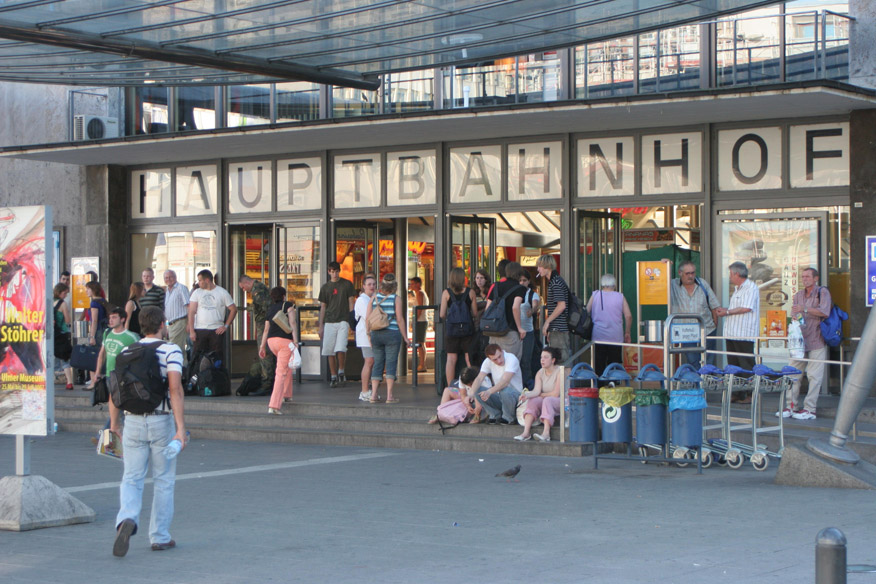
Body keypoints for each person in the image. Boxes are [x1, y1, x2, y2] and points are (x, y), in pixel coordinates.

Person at [110, 306, 186, 557]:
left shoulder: (125, 350)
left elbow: (114, 390)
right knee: (163, 479)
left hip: (131, 421)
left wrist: (114, 425)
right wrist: (181, 428)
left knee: (131, 477)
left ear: (140, 325)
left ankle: (127, 519)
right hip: (160, 421)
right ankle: (160, 536)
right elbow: (175, 389)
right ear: (163, 324)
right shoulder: (170, 350)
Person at [778, 267, 832, 420]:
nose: (805, 279)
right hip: (799, 340)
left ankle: (810, 409)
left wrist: (805, 309)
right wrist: (795, 318)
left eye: (808, 276)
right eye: (803, 277)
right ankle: (791, 406)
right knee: (792, 374)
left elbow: (824, 312)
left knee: (814, 376)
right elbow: (795, 313)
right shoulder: (798, 295)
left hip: (817, 338)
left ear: (816, 278)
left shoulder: (822, 292)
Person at [715, 261, 760, 403]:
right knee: (733, 364)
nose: (729, 277)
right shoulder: (737, 289)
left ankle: (750, 393)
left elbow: (746, 307)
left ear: (736, 273)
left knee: (746, 364)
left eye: (730, 274)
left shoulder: (750, 287)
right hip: (732, 332)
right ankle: (736, 392)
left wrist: (727, 311)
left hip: (744, 333)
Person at [366, 273, 409, 404]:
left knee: (377, 363)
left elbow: (368, 318)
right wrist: (406, 337)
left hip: (376, 334)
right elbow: (400, 319)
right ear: (394, 286)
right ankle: (389, 396)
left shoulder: (374, 298)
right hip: (392, 334)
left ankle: (373, 395)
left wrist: (369, 335)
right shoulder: (396, 299)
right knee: (391, 363)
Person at [669, 260, 720, 368]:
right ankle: (696, 382)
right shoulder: (673, 285)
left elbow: (714, 305)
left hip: (707, 328)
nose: (691, 276)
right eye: (687, 273)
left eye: (693, 273)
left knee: (708, 360)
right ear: (680, 273)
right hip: (686, 331)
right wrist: (663, 264)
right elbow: (658, 280)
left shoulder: (702, 283)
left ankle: (706, 382)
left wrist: (715, 325)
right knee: (692, 360)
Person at [259, 286, 299, 415]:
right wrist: (296, 341)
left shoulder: (270, 309)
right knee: (281, 372)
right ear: (283, 296)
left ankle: (287, 394)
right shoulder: (288, 305)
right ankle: (274, 405)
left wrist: (262, 346)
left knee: (286, 367)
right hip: (284, 341)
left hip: (271, 342)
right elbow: (292, 323)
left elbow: (265, 330)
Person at [318, 261, 356, 388]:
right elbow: (323, 307)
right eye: (332, 271)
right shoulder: (325, 288)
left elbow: (351, 302)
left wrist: (352, 320)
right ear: (329, 272)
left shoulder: (347, 284)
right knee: (329, 349)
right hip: (329, 320)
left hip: (343, 319)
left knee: (340, 347)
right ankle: (334, 375)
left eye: (336, 271)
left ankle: (341, 371)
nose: (334, 274)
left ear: (339, 271)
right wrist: (321, 326)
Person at [439, 267, 478, 388]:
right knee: (468, 357)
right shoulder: (470, 292)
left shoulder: (446, 293)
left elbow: (442, 314)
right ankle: (472, 385)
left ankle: (451, 387)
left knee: (451, 359)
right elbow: (475, 313)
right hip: (467, 330)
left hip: (452, 330)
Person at [515, 347, 563, 442]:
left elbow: (556, 394)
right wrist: (527, 395)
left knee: (547, 400)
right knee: (533, 400)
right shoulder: (540, 372)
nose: (542, 360)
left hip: (561, 401)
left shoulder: (560, 371)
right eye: (541, 357)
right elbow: (536, 391)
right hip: (547, 400)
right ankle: (526, 432)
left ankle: (546, 433)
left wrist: (541, 395)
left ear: (553, 360)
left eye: (546, 357)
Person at [587, 274, 632, 375]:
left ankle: (599, 386)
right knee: (614, 364)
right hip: (615, 337)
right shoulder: (620, 296)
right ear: (614, 285)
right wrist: (627, 332)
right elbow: (628, 316)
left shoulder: (595, 295)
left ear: (602, 285)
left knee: (599, 364)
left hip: (598, 336)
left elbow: (587, 311)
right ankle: (613, 384)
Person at [469, 343, 524, 425]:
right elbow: (479, 378)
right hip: (500, 396)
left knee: (505, 391)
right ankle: (495, 415)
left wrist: (489, 391)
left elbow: (505, 381)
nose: (499, 361)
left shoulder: (511, 358)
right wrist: (470, 394)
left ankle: (508, 418)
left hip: (515, 397)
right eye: (495, 359)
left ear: (502, 351)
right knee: (477, 390)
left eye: (499, 356)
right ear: (489, 359)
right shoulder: (487, 362)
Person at [239, 275, 274, 396]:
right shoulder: (260, 288)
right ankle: (268, 382)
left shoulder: (258, 291)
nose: (244, 290)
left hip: (264, 325)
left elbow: (266, 308)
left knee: (264, 354)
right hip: (264, 325)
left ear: (247, 283)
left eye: (243, 287)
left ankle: (267, 384)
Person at [187, 269, 237, 355]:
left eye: (200, 280)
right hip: (200, 329)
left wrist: (226, 326)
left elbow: (233, 309)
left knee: (215, 356)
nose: (198, 283)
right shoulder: (197, 292)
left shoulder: (222, 292)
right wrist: (192, 331)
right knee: (198, 357)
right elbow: (191, 311)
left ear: (207, 280)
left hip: (216, 330)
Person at [484, 261, 526, 362]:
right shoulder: (520, 288)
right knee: (511, 364)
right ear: (519, 273)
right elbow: (515, 307)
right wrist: (520, 328)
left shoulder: (496, 286)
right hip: (509, 332)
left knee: (495, 365)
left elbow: (488, 308)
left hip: (493, 332)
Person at [537, 254, 571, 363]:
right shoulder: (555, 281)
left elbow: (561, 305)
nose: (538, 269)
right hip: (557, 328)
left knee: (560, 359)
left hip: (559, 329)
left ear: (547, 266)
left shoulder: (556, 282)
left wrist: (547, 322)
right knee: (557, 358)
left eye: (540, 266)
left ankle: (562, 380)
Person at [354, 273, 377, 402]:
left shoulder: (371, 299)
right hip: (366, 335)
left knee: (372, 362)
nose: (372, 286)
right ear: (363, 286)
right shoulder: (362, 300)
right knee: (369, 361)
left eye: (373, 284)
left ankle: (370, 391)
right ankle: (364, 391)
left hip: (372, 335)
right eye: (369, 284)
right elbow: (369, 317)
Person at [518, 269, 541, 388]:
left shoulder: (532, 294)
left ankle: (527, 384)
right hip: (514, 331)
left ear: (528, 281)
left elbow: (536, 305)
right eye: (520, 280)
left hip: (528, 331)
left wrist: (532, 311)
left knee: (526, 359)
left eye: (524, 280)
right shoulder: (515, 293)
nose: (522, 283)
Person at [85, 280, 109, 388]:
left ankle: (93, 382)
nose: (86, 291)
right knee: (102, 356)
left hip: (97, 331)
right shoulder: (103, 301)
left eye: (88, 289)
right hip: (104, 331)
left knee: (92, 357)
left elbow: (94, 321)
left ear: (93, 290)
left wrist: (91, 336)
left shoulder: (94, 303)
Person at [163, 270, 190, 364]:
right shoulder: (167, 291)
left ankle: (179, 371)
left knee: (175, 348)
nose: (168, 279)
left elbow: (189, 306)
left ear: (175, 277)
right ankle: (183, 371)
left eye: (170, 277)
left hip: (180, 322)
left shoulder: (181, 288)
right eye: (166, 278)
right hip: (170, 324)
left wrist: (189, 324)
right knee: (179, 349)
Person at [52, 283, 74, 390]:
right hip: (61, 334)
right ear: (60, 292)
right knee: (65, 358)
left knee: (52, 357)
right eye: (65, 293)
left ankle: (52, 378)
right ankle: (69, 382)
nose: (66, 295)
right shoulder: (63, 304)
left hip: (50, 335)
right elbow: (67, 320)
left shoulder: (48, 302)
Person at [408, 276, 429, 373]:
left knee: (420, 343)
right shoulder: (418, 294)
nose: (411, 285)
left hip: (420, 321)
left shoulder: (420, 293)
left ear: (418, 284)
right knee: (420, 343)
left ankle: (422, 364)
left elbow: (420, 308)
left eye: (413, 283)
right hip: (421, 320)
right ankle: (422, 364)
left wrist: (414, 320)